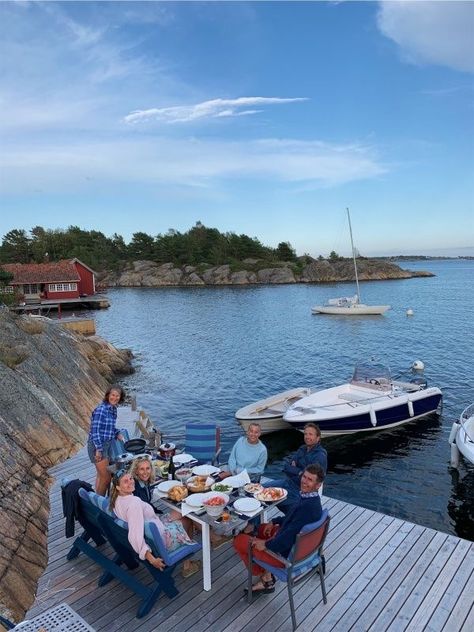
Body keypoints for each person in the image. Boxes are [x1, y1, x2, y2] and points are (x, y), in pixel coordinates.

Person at [233, 463, 324, 596]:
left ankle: (266, 578)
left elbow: (285, 541)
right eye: (304, 477)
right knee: (261, 529)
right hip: (297, 546)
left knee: (239, 540)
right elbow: (294, 519)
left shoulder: (306, 508)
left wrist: (265, 544)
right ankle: (267, 575)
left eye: (310, 479)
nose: (304, 481)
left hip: (284, 556)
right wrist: (275, 521)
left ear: (318, 485)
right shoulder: (311, 500)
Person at [109, 469, 201, 578]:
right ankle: (188, 565)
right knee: (187, 518)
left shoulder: (117, 500)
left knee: (181, 510)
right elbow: (134, 536)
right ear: (118, 487)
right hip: (163, 539)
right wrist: (151, 559)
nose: (131, 482)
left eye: (131, 478)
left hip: (155, 527)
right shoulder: (134, 504)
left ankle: (209, 535)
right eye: (125, 481)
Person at [264, 422, 327, 513]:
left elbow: (309, 479)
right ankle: (254, 525)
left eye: (310, 434)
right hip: (287, 482)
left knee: (267, 498)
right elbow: (286, 467)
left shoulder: (319, 456)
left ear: (318, 438)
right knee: (260, 491)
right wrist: (299, 472)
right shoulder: (302, 448)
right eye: (305, 434)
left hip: (299, 490)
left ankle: (288, 519)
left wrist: (296, 470)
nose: (307, 436)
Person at [87, 385, 125, 496]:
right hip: (97, 445)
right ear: (108, 395)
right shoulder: (101, 410)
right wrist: (98, 449)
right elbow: (95, 431)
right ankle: (101, 503)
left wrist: (117, 433)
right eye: (113, 395)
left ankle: (96, 499)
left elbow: (109, 428)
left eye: (118, 396)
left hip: (106, 445)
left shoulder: (113, 409)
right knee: (106, 478)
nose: (115, 398)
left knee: (100, 475)